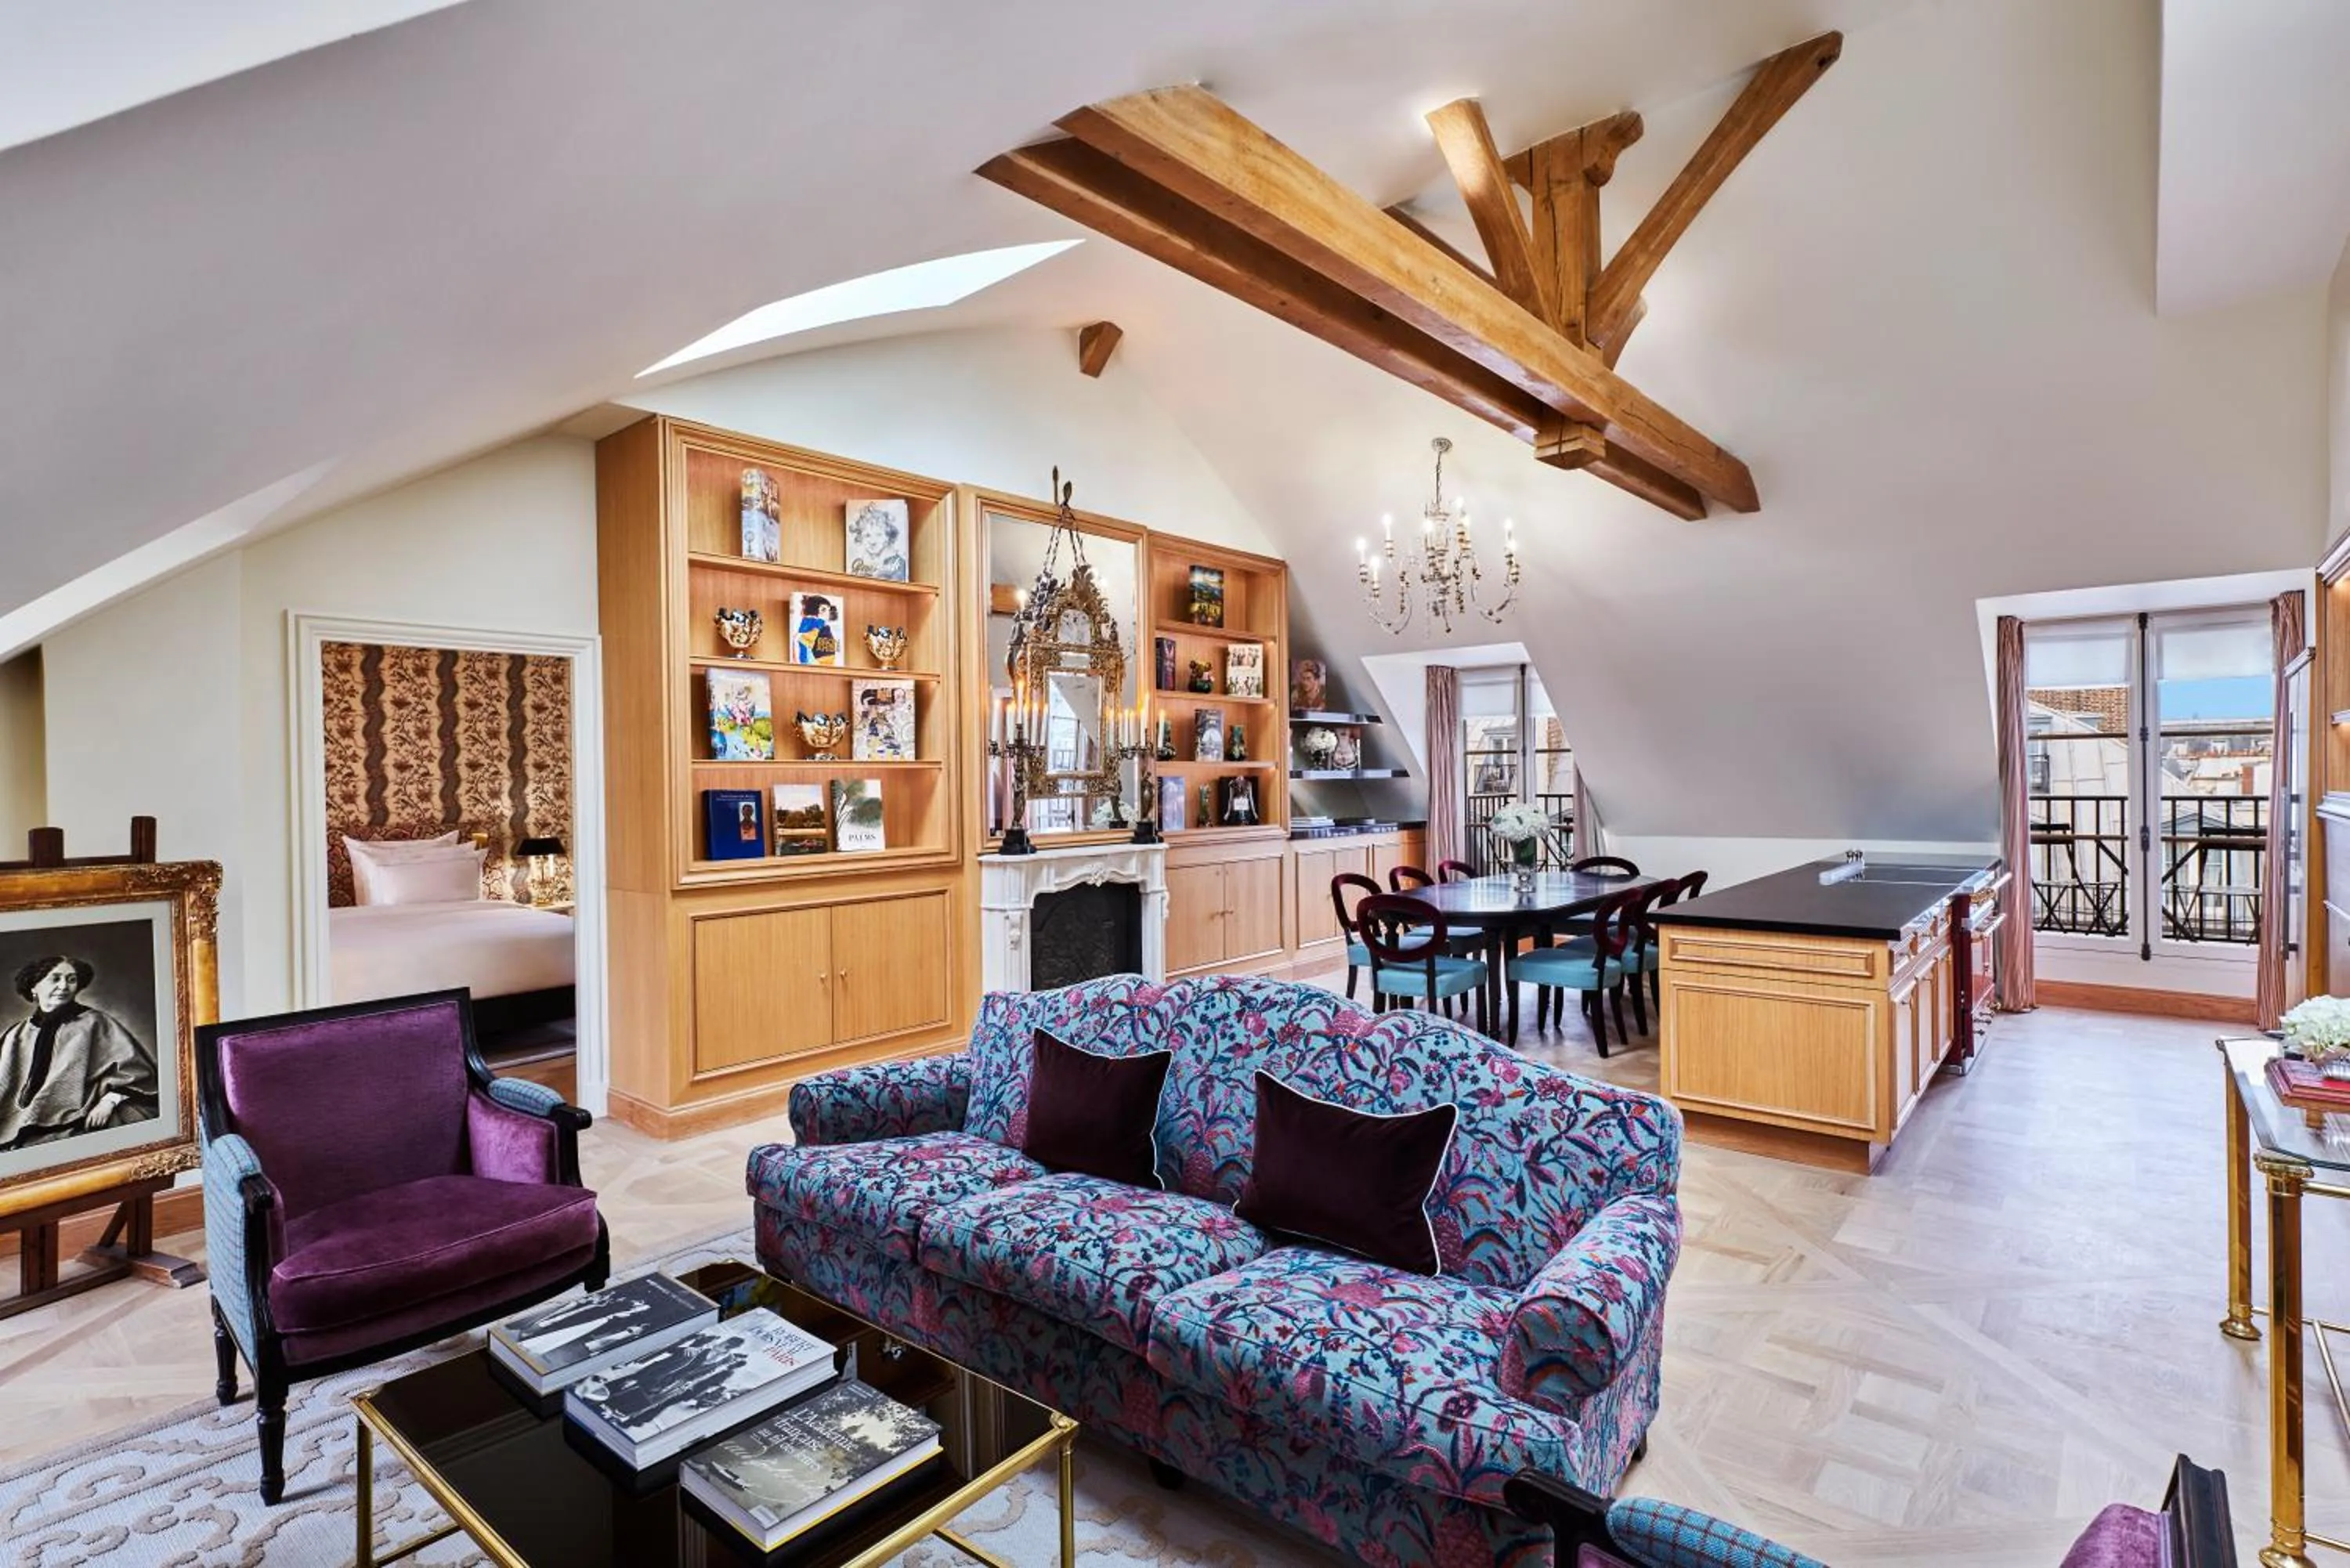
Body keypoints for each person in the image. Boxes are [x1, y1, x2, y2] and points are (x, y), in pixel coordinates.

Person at [0, 956, 158, 1151]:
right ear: (34, 987)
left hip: (79, 1113)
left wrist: (108, 1102)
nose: (64, 986)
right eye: (55, 979)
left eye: (71, 979)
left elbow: (135, 1071)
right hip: (19, 1118)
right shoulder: (16, 1034)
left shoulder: (95, 1022)